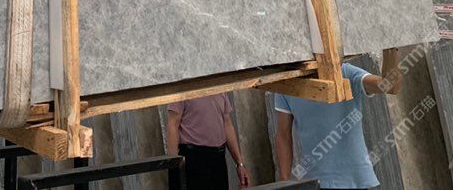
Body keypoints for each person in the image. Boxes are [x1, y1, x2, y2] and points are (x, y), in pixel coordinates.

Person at [274, 49, 403, 190]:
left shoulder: (345, 73)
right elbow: (283, 134)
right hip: (316, 182)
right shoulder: (287, 86)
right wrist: (284, 183)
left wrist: (391, 49)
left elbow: (390, 86)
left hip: (356, 180)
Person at [166, 93, 251, 189]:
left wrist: (239, 163)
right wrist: (174, 167)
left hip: (218, 158)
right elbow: (173, 125)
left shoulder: (219, 88)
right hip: (194, 157)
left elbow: (227, 123)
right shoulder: (184, 89)